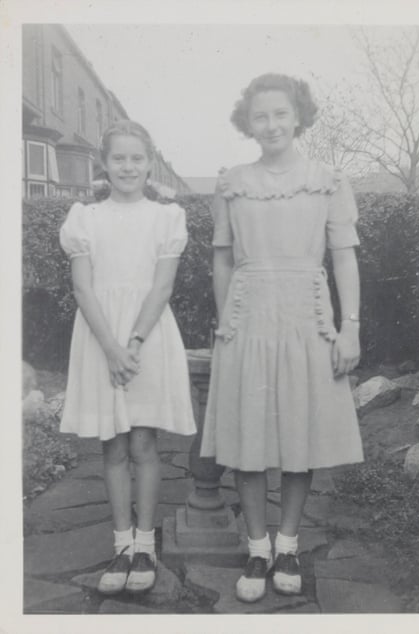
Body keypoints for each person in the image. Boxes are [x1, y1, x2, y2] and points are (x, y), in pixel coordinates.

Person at [200, 73, 363, 603]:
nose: (270, 124)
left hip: (307, 316)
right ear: (248, 123)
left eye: (279, 114)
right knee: (248, 437)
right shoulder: (231, 183)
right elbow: (222, 258)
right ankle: (257, 546)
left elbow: (343, 257)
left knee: (299, 435)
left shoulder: (329, 180)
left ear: (298, 117)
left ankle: (288, 543)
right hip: (249, 316)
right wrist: (226, 320)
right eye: (260, 116)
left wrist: (349, 327)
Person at [59, 120, 195, 595]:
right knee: (112, 447)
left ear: (150, 162)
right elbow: (82, 287)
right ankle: (121, 544)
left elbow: (162, 286)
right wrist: (112, 348)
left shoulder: (165, 217)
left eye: (137, 158)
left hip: (148, 335)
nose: (128, 167)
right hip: (100, 338)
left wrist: (133, 343)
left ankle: (145, 547)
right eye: (119, 158)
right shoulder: (85, 218)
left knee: (143, 444)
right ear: (104, 164)